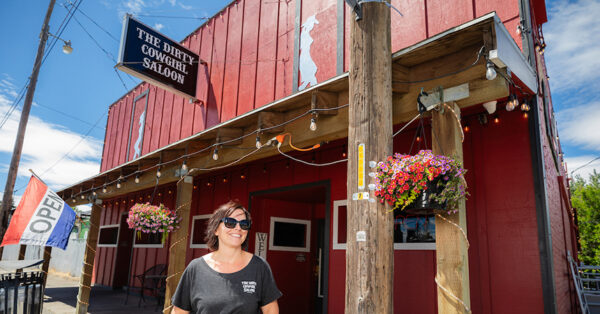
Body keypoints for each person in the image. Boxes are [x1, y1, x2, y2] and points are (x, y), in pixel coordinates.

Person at [171, 201, 282, 314]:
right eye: (230, 222)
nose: (238, 228)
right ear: (216, 229)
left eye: (244, 224)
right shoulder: (195, 268)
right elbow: (179, 311)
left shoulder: (259, 266)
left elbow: (270, 310)